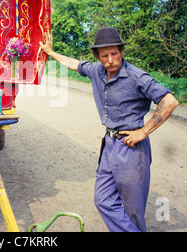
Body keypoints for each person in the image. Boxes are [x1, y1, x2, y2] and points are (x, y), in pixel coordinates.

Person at [40, 28, 178, 232]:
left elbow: (170, 101)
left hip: (131, 146)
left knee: (133, 210)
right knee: (103, 200)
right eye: (104, 55)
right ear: (98, 56)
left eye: (114, 53)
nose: (110, 59)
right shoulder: (96, 70)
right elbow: (73, 63)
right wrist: (50, 52)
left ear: (121, 51)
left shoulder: (136, 76)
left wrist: (144, 131)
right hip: (109, 145)